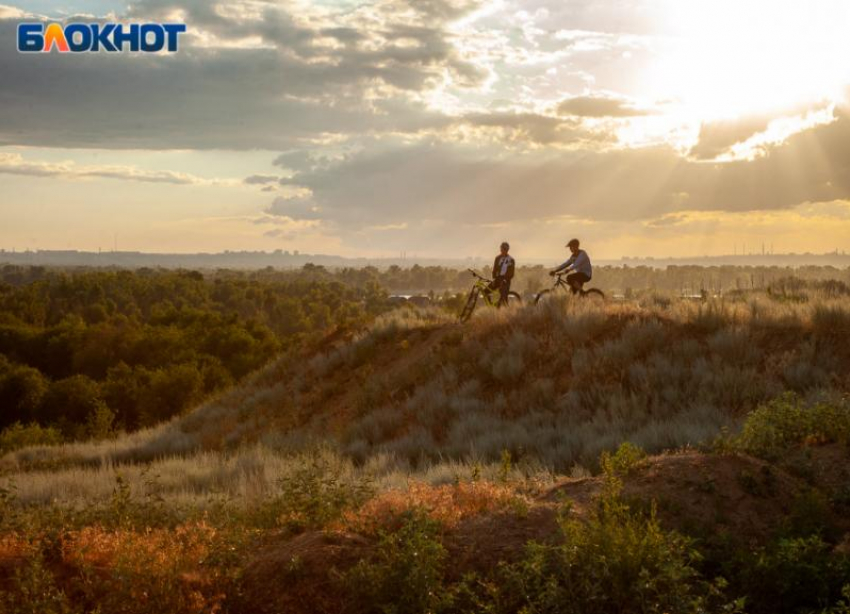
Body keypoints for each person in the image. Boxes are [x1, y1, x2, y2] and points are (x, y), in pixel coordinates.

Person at [490, 241, 515, 306]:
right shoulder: (497, 258)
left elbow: (511, 274)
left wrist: (505, 280)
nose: (502, 250)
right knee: (485, 291)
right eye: (501, 248)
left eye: (504, 249)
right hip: (498, 279)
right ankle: (490, 305)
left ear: (507, 250)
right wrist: (494, 279)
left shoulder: (511, 260)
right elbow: (494, 270)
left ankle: (506, 311)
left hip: (506, 281)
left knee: (503, 297)